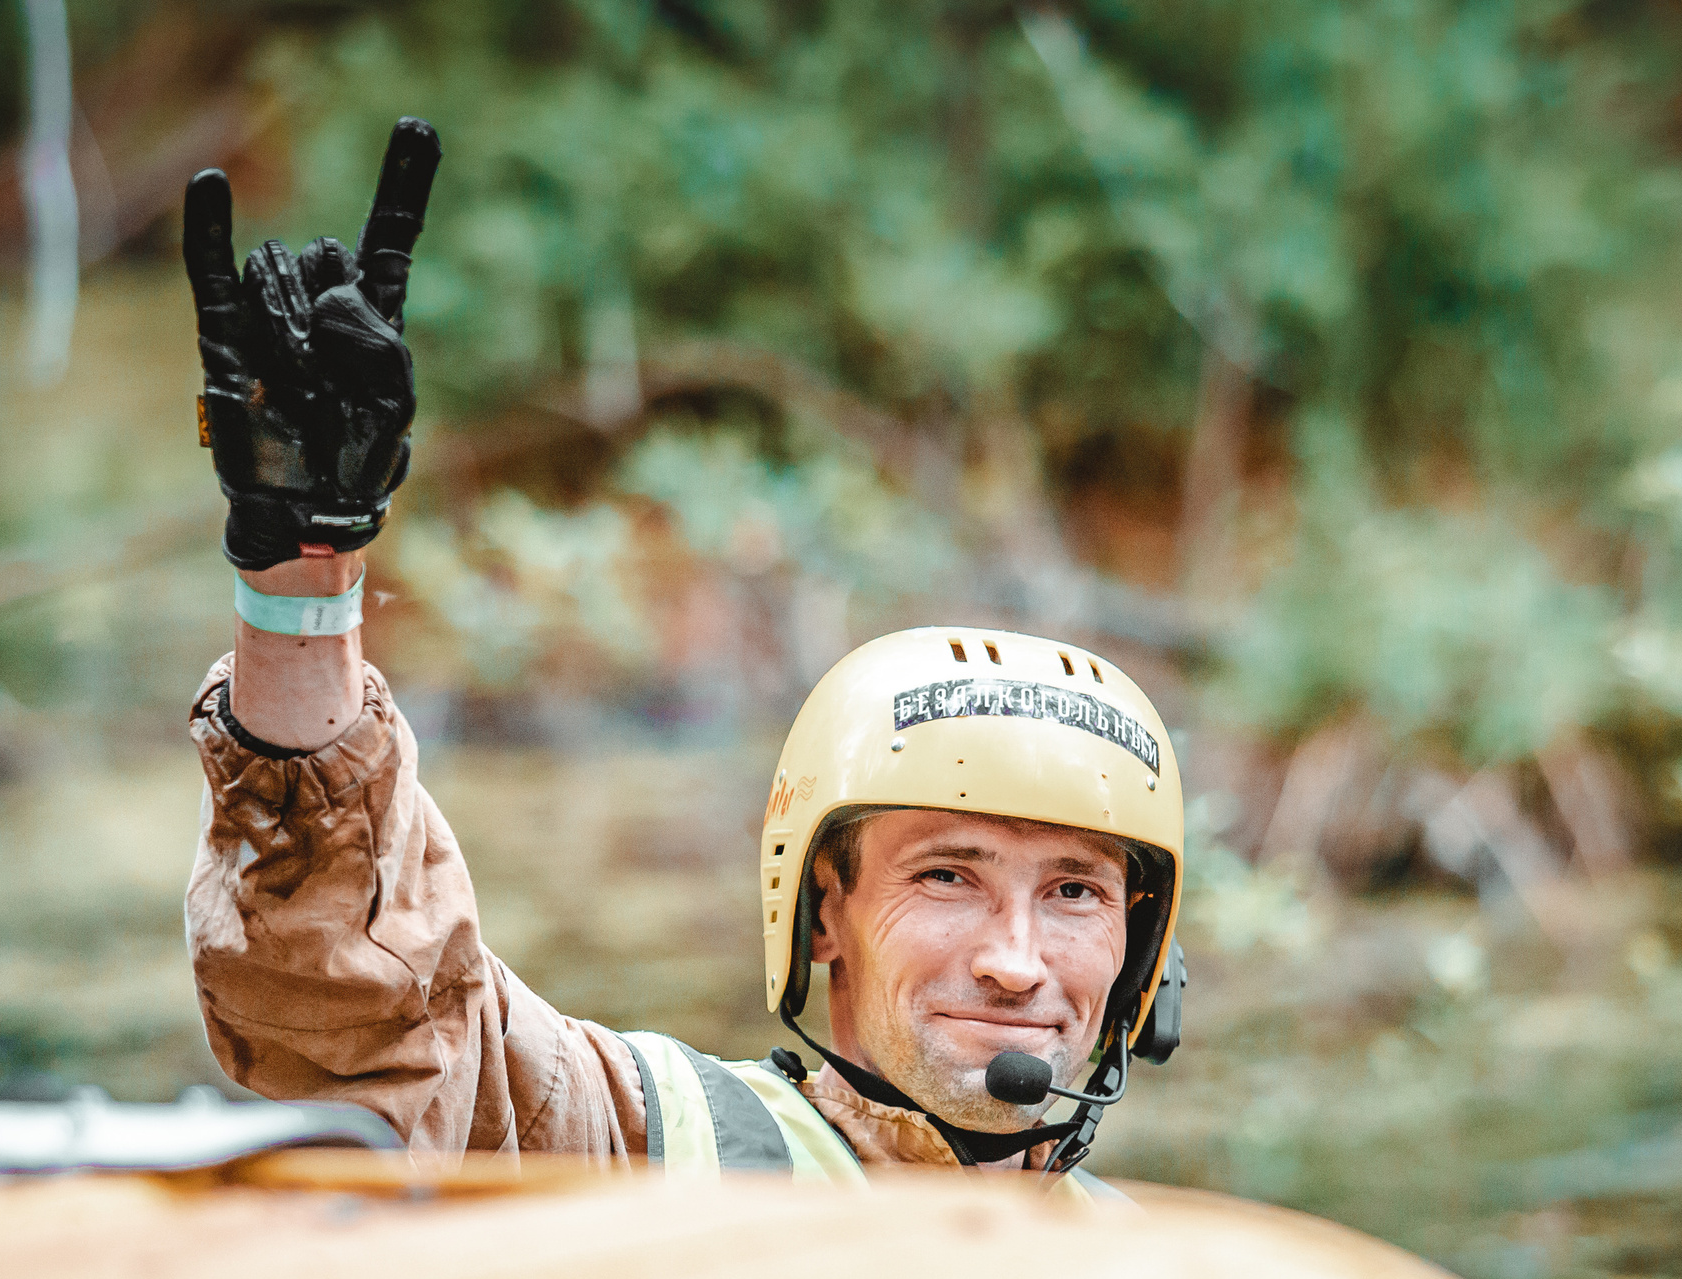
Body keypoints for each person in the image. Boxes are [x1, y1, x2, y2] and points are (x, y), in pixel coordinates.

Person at [179, 122, 1185, 1193]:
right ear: (825, 913)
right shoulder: (633, 1142)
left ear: (1143, 957)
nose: (1015, 960)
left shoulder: (1169, 1273)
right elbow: (367, 1016)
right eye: (946, 875)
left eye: (1075, 892)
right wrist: (302, 586)